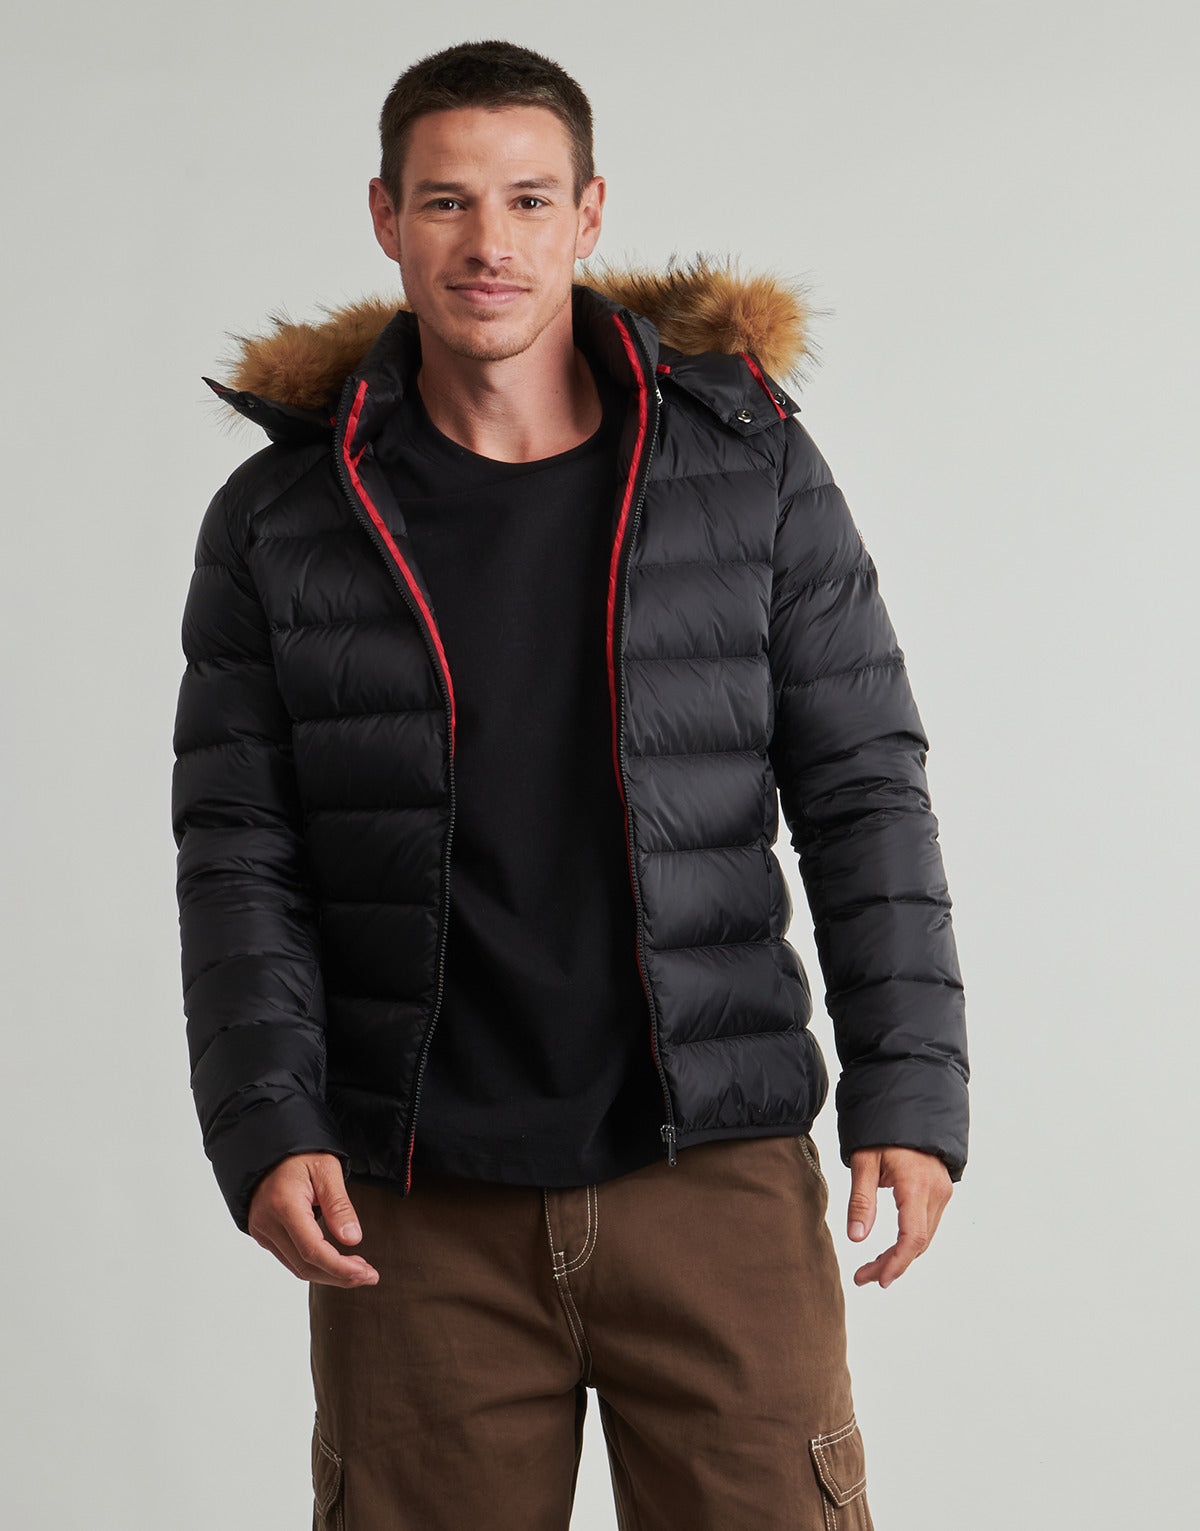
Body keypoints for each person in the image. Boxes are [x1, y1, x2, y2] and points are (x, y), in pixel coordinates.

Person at [171, 37, 969, 1531]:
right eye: (447, 201)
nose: (491, 242)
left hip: (714, 1168)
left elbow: (863, 787)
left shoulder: (747, 472)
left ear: (590, 215)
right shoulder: (283, 515)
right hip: (415, 1201)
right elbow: (238, 848)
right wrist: (266, 1121)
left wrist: (910, 1085)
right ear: (386, 217)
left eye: (529, 200)